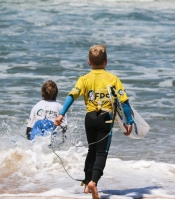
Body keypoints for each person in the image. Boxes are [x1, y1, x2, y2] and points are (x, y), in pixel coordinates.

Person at [54, 45, 134, 199]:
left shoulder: (84, 79)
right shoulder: (113, 78)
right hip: (106, 119)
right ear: (106, 62)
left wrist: (61, 114)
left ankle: (86, 183)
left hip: (89, 119)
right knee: (101, 153)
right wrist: (129, 121)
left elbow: (72, 95)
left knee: (91, 151)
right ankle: (94, 182)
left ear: (89, 62)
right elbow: (124, 102)